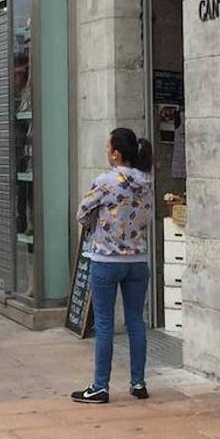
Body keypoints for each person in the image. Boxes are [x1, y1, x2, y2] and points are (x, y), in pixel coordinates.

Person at [72, 127, 154, 404]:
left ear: (116, 153)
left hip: (106, 259)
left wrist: (99, 221)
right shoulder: (146, 182)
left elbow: (82, 214)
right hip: (138, 260)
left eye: (108, 148)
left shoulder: (106, 181)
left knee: (105, 323)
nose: (107, 152)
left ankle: (100, 386)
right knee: (135, 322)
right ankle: (138, 381)